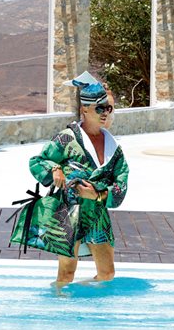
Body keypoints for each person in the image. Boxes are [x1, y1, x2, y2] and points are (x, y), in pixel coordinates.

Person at [28, 72, 129, 287]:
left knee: (107, 273)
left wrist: (98, 194)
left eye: (108, 108)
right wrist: (55, 168)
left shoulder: (114, 148)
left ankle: (83, 297)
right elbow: (37, 161)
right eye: (99, 109)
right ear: (85, 109)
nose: (105, 113)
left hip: (97, 214)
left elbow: (121, 183)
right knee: (66, 274)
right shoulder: (67, 138)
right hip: (69, 212)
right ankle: (60, 303)